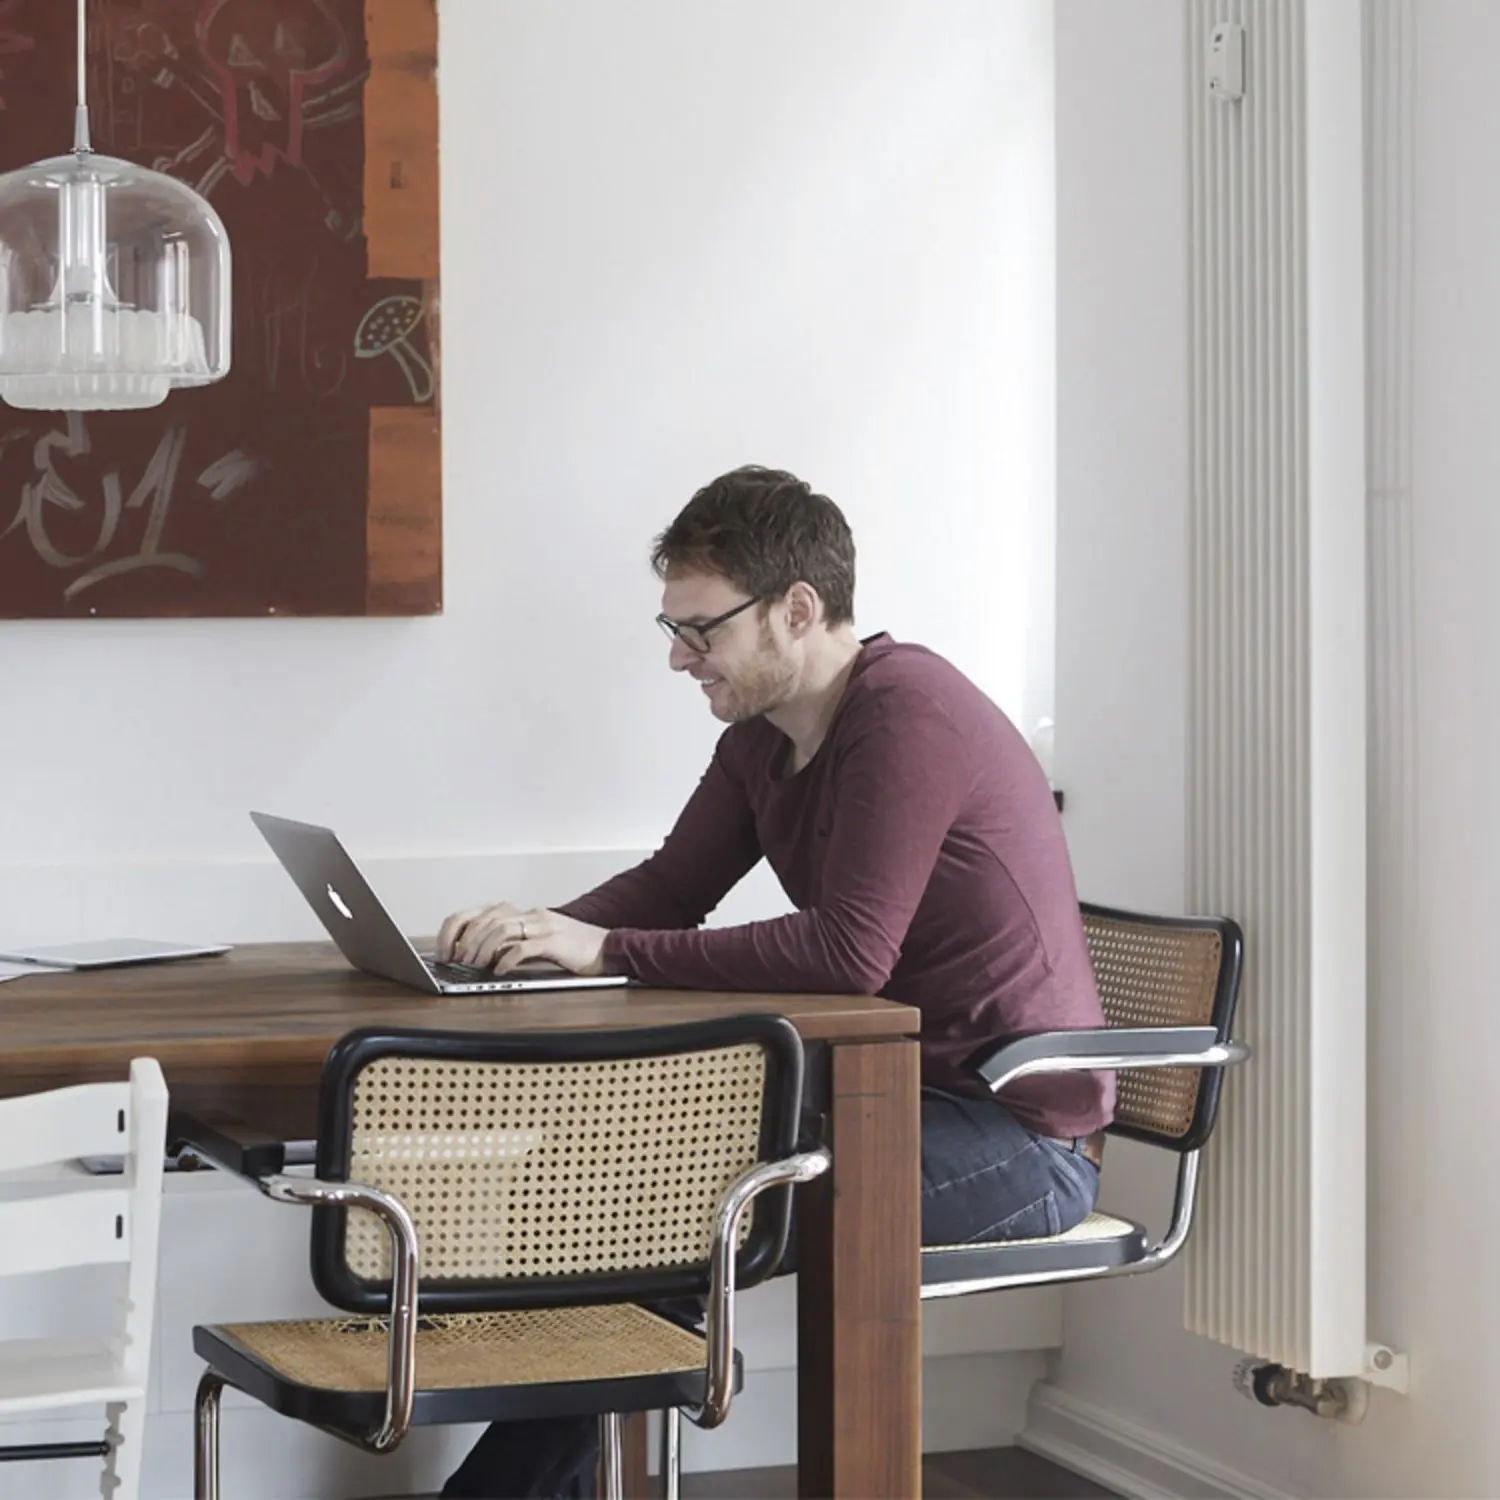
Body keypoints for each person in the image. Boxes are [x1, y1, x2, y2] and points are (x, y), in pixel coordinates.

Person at [435, 465, 1113, 1499]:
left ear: (797, 609)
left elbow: (849, 953)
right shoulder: (763, 735)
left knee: (678, 1213)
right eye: (672, 627)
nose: (677, 655)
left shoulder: (907, 715)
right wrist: (535, 935)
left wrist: (604, 951)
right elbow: (674, 886)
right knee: (606, 1173)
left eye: (700, 628)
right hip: (884, 1096)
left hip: (1016, 1135)